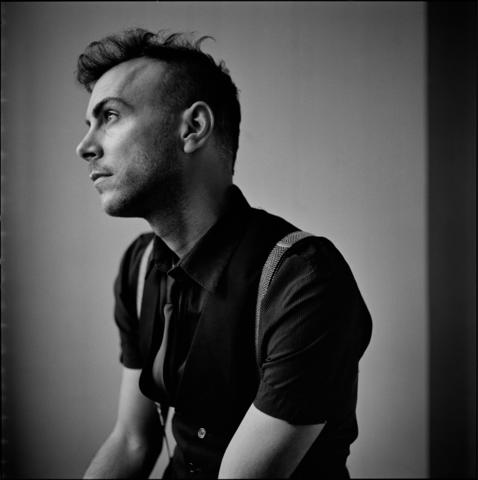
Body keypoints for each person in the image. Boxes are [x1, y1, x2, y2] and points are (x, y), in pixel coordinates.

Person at [75, 28, 372, 479]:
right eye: (89, 124)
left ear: (193, 128)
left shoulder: (304, 281)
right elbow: (132, 441)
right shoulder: (140, 267)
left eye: (110, 116)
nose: (85, 147)